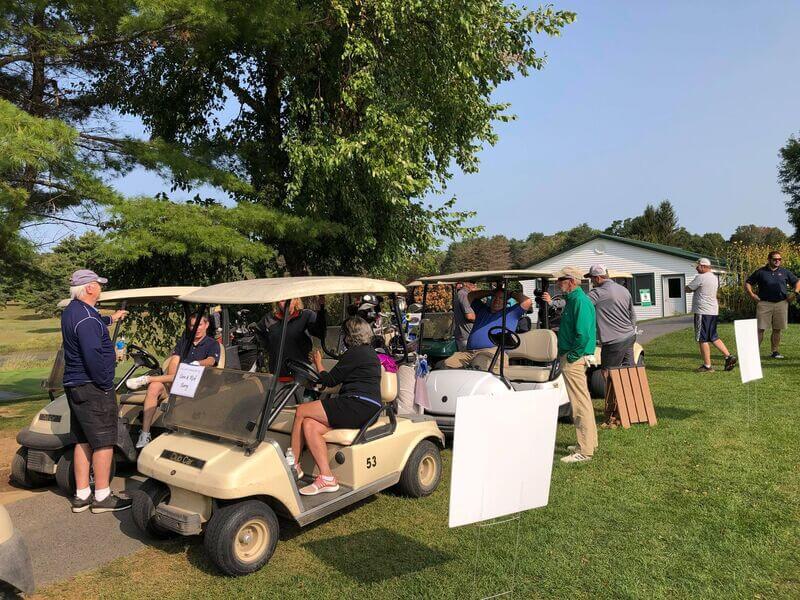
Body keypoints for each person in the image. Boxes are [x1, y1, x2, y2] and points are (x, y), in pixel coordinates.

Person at [61, 269, 131, 513]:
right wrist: (105, 381)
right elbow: (92, 353)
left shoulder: (73, 311)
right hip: (93, 386)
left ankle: (82, 494)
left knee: (83, 439)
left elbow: (93, 324)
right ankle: (102, 496)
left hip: (75, 385)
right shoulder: (88, 319)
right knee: (104, 441)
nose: (101, 288)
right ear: (89, 288)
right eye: (98, 285)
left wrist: (112, 319)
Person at [289, 317, 382, 496]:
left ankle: (293, 464)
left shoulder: (355, 353)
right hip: (365, 406)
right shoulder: (367, 353)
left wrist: (318, 362)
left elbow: (329, 380)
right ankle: (327, 478)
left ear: (349, 336)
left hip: (358, 404)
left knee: (301, 410)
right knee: (309, 424)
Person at [126, 314, 220, 447]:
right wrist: (173, 376)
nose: (196, 329)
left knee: (183, 374)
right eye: (192, 325)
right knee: (154, 387)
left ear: (206, 325)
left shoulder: (212, 344)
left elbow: (211, 361)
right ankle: (145, 434)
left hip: (195, 385)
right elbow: (174, 361)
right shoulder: (184, 342)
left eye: (199, 325)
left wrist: (197, 364)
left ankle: (146, 379)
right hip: (174, 383)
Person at [542, 267, 597, 464]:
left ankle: (584, 449)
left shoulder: (579, 301)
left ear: (571, 281)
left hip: (574, 357)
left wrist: (572, 356)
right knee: (583, 401)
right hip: (572, 355)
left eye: (561, 280)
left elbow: (583, 333)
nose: (558, 284)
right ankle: (589, 442)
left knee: (579, 404)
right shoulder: (575, 300)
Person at [441, 284, 532, 372]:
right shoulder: (482, 309)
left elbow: (527, 302)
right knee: (445, 365)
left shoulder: (511, 313)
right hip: (469, 353)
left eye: (501, 298)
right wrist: (491, 292)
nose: (497, 300)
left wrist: (510, 293)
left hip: (493, 353)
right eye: (495, 297)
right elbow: (471, 296)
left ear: (506, 301)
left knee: (479, 365)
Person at [255, 297, 326, 381]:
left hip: (301, 375)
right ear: (277, 302)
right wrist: (270, 348)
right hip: (277, 375)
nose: (286, 303)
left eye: (289, 300)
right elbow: (258, 332)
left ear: (296, 300)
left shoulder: (306, 316)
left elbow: (320, 332)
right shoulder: (270, 318)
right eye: (282, 300)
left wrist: (322, 309)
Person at [745, 251, 800, 359]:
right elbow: (748, 282)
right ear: (769, 259)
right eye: (775, 259)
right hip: (764, 303)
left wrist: (795, 292)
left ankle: (774, 352)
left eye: (779, 259)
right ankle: (754, 352)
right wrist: (752, 295)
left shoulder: (785, 272)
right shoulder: (760, 272)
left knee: (777, 329)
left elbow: (797, 281)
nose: (777, 261)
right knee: (760, 328)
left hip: (781, 303)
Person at [686, 258, 736, 373]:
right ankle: (728, 356)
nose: (696, 268)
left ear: (703, 266)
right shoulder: (713, 277)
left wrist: (686, 287)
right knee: (713, 336)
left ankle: (707, 366)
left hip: (702, 312)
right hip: (712, 311)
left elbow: (688, 289)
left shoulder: (700, 277)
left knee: (702, 339)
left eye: (697, 266)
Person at [585, 264, 637, 369]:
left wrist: (553, 303)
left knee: (607, 372)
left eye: (591, 279)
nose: (591, 282)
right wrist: (630, 329)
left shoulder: (597, 293)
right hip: (629, 336)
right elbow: (632, 315)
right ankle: (628, 386)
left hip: (613, 341)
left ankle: (610, 386)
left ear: (598, 278)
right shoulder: (623, 290)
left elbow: (579, 304)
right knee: (629, 370)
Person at [453, 282, 476, 351]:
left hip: (464, 335)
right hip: (467, 336)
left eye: (474, 282)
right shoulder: (464, 295)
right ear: (465, 283)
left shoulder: (461, 294)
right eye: (471, 282)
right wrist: (483, 319)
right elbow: (469, 316)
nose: (474, 284)